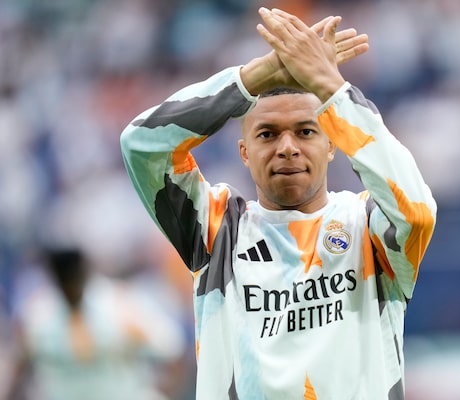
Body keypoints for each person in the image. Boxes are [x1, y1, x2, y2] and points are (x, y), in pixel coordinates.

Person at [121, 7, 436, 400]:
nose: (287, 147)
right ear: (244, 152)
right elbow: (141, 143)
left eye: (306, 132)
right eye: (267, 134)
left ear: (333, 143)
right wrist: (259, 75)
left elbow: (417, 213)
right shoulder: (216, 231)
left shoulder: (368, 227)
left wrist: (329, 86)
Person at [4, 247, 186, 400]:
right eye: (65, 283)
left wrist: (161, 391)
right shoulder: (38, 316)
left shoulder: (119, 306)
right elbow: (20, 367)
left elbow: (172, 350)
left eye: (74, 281)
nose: (71, 289)